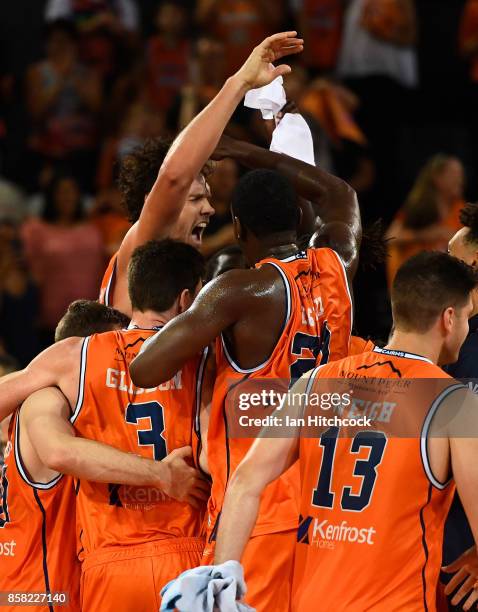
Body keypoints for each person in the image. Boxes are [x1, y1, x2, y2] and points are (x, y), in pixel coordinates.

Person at [130, 136, 360, 610]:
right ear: (299, 219)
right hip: (329, 509)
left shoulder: (240, 290)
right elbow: (339, 193)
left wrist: (197, 319)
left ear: (237, 228)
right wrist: (242, 150)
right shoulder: (338, 264)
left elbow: (145, 368)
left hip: (258, 514)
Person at [210, 251, 478, 611]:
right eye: (466, 317)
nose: (466, 329)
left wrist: (221, 579)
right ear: (448, 318)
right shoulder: (453, 402)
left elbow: (245, 481)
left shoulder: (316, 381)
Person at [0, 239, 212, 611]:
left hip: (105, 566)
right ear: (185, 301)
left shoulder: (72, 361)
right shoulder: (207, 359)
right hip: (185, 556)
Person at [98, 31, 304, 315]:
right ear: (151, 201)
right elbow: (173, 177)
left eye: (205, 198)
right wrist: (240, 82)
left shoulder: (179, 278)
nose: (208, 208)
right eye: (195, 199)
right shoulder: (142, 246)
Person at [21, 173, 104, 346]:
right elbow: (26, 271)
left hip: (92, 322)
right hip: (49, 323)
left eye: (72, 191)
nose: (68, 197)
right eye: (62, 191)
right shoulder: (35, 229)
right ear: (52, 196)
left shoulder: (94, 228)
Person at [386, 155, 465, 287]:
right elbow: (391, 237)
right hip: (414, 282)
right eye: (454, 174)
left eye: (461, 174)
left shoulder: (460, 208)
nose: (460, 180)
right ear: (437, 178)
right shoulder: (418, 206)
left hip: (445, 282)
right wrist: (426, 234)